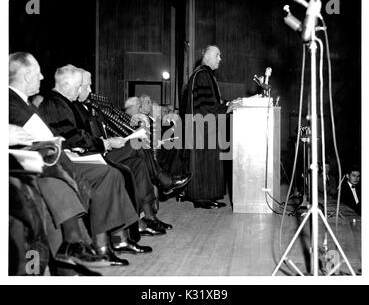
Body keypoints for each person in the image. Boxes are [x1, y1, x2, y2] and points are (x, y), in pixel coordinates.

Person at [9, 52, 152, 269]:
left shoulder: (25, 102)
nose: (41, 78)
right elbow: (58, 140)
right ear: (27, 75)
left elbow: (53, 140)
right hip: (38, 164)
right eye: (38, 73)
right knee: (110, 172)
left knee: (122, 166)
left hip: (54, 159)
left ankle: (109, 240)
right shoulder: (24, 102)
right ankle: (96, 244)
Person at [180, 45, 242, 209]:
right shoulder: (201, 76)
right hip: (202, 126)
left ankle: (208, 196)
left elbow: (212, 102)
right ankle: (200, 198)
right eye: (217, 55)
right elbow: (204, 105)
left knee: (210, 162)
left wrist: (228, 104)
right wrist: (226, 108)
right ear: (207, 56)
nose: (220, 58)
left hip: (207, 125)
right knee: (203, 162)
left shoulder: (206, 75)